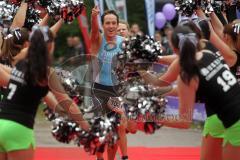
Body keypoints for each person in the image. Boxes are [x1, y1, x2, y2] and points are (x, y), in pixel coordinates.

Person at [0, 26, 90, 160]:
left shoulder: (21, 65)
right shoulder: (46, 73)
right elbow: (66, 101)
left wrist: (62, 112)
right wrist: (86, 126)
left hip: (2, 124)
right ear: (50, 46)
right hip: (19, 127)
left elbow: (45, 96)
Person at [159, 25, 240, 160]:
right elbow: (188, 90)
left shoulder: (187, 75)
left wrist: (152, 117)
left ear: (174, 49)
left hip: (236, 123)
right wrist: (156, 92)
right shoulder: (208, 55)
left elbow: (184, 122)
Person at [91, 6, 128, 160]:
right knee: (101, 130)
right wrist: (94, 17)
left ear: (117, 24)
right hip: (99, 90)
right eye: (107, 23)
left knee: (115, 129)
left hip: (116, 91)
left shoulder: (124, 42)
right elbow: (94, 32)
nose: (111, 26)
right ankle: (99, 158)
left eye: (114, 23)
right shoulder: (98, 39)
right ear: (103, 25)